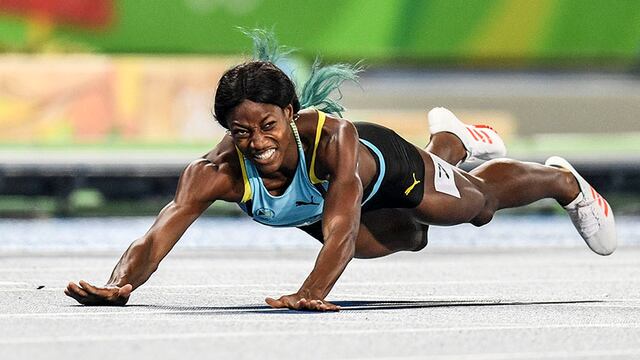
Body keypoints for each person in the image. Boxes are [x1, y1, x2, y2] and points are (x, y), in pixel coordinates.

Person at [64, 30, 616, 311]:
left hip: (386, 170)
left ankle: (564, 182)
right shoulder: (213, 172)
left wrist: (309, 292)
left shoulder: (333, 139)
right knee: (409, 237)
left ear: (291, 114)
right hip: (326, 210)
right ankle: (449, 139)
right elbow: (158, 233)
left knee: (475, 208)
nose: (257, 143)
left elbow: (343, 230)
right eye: (241, 131)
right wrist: (120, 284)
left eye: (269, 126)